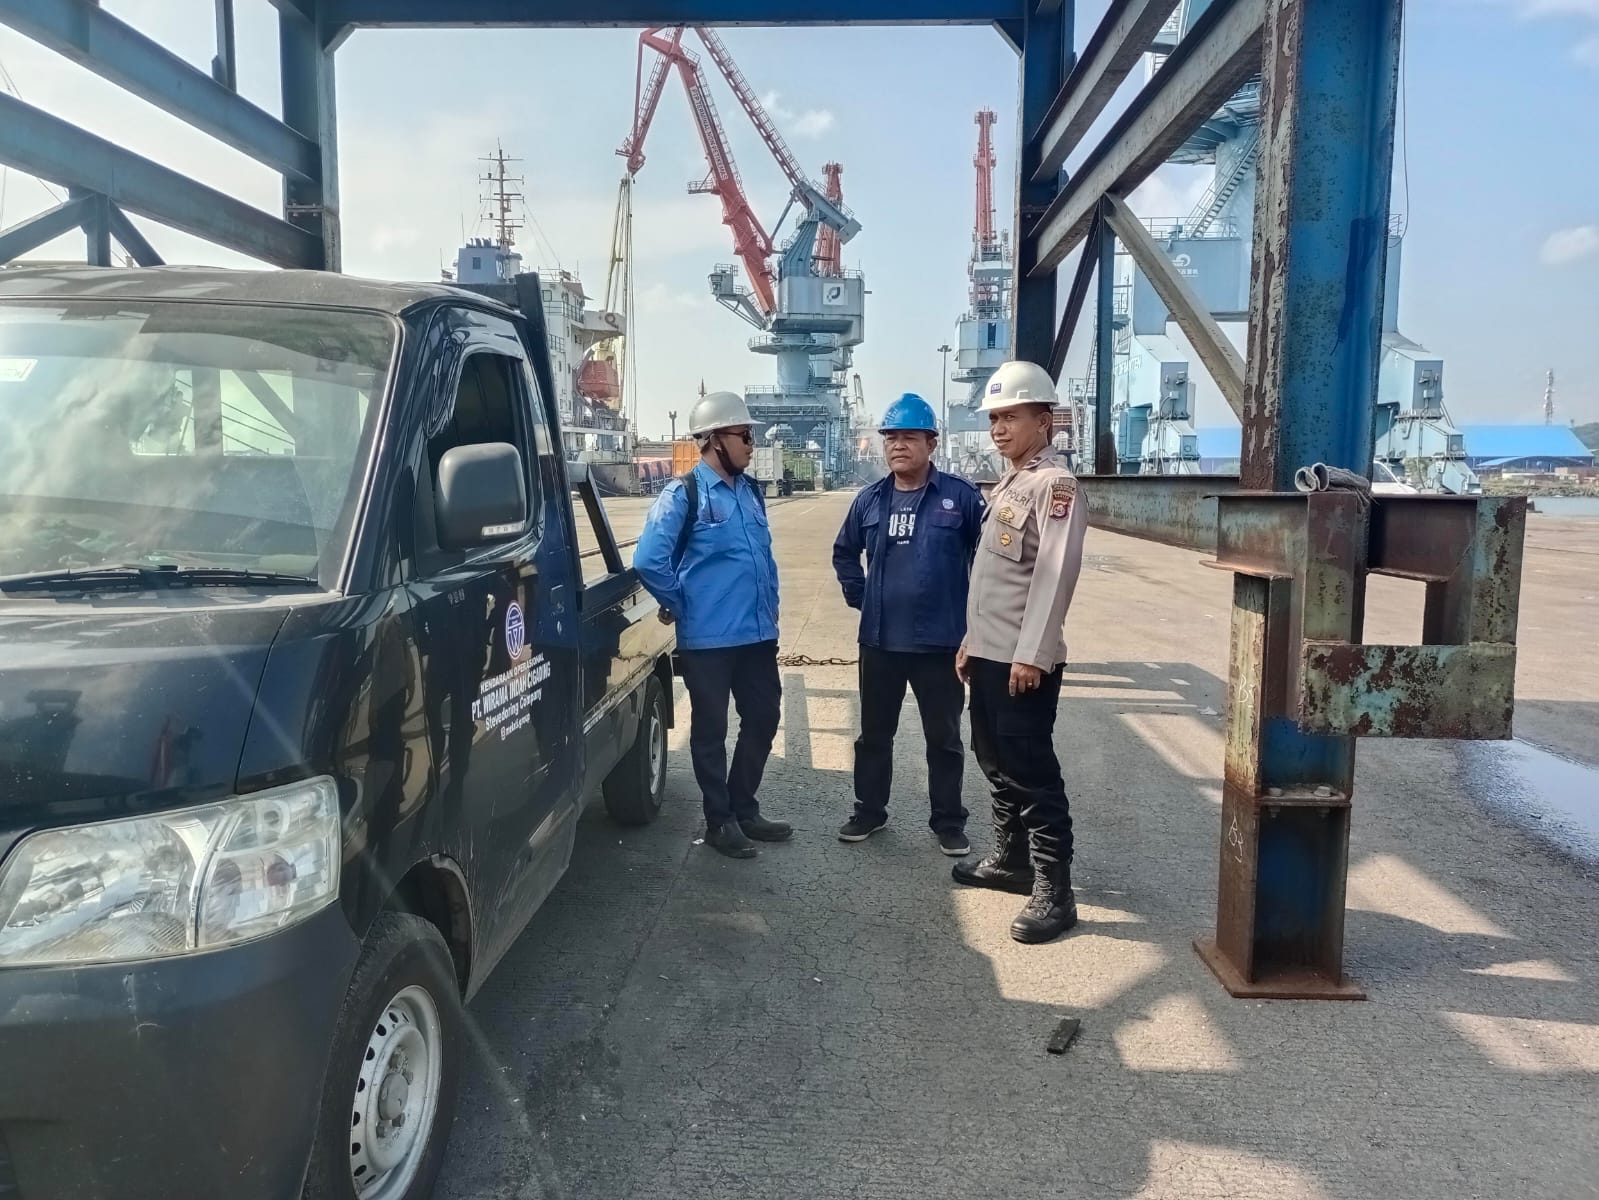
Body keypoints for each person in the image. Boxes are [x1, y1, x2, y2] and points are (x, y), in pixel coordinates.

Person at [952, 361, 1089, 944]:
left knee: (1032, 772)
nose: (999, 429)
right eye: (994, 419)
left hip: (1022, 662)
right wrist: (971, 642)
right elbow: (993, 579)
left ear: (1044, 420)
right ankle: (1011, 861)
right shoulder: (1010, 483)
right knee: (993, 758)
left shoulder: (1056, 486)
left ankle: (1056, 891)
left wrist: (1031, 654)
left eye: (1011, 417)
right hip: (990, 654)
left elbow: (1054, 576)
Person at [634, 391, 791, 860]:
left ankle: (743, 807)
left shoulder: (751, 492)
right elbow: (649, 559)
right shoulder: (683, 494)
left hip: (756, 635)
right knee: (711, 730)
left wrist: (771, 605)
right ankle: (719, 821)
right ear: (714, 439)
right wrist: (682, 603)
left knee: (764, 717)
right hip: (709, 640)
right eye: (745, 435)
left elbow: (762, 557)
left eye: (751, 436)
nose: (751, 444)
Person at [831, 393, 985, 856]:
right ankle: (869, 811)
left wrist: (976, 621)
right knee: (875, 735)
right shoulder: (869, 500)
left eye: (909, 437)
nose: (898, 445)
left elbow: (989, 561)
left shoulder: (960, 498)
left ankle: (948, 821)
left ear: (931, 443)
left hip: (941, 644)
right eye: (891, 438)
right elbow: (844, 552)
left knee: (944, 738)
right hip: (880, 643)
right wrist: (861, 597)